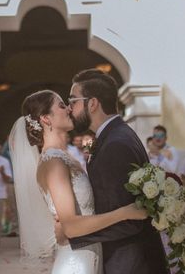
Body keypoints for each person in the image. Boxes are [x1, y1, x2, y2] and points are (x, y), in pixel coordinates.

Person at [9, 88, 151, 273]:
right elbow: (71, 227)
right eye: (61, 105)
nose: (69, 108)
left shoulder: (64, 157)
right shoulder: (53, 162)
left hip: (89, 254)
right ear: (46, 119)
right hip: (76, 262)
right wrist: (126, 212)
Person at [65, 68, 169, 273]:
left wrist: (74, 233)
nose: (70, 109)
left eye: (73, 101)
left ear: (92, 103)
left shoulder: (115, 144)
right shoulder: (115, 135)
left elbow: (130, 220)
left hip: (129, 262)